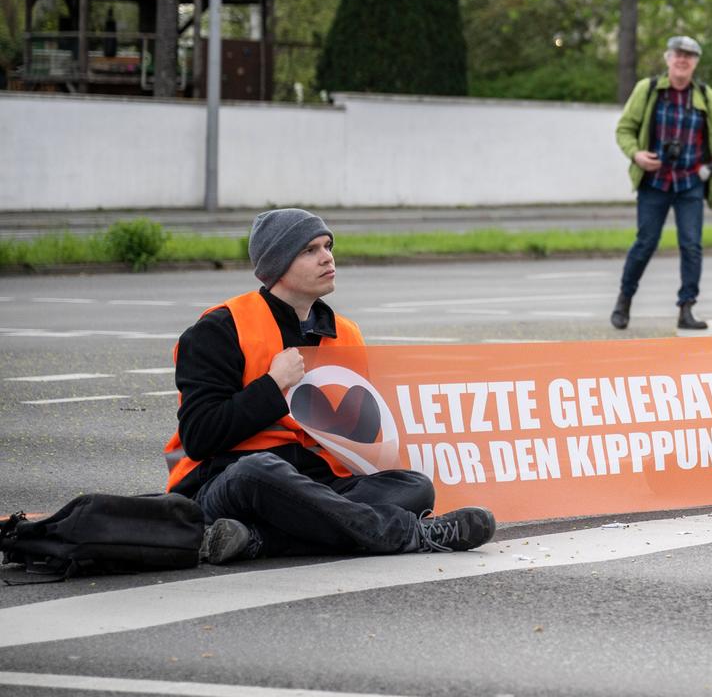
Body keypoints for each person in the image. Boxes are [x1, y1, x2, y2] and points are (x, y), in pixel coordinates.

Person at [165, 209, 496, 561]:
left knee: (413, 486)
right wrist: (273, 386)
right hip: (228, 482)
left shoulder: (345, 332)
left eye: (327, 246)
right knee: (258, 470)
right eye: (310, 250)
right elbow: (200, 437)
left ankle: (258, 540)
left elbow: (361, 439)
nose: (327, 257)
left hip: (316, 484)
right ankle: (410, 533)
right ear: (277, 264)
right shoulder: (219, 329)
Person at [611, 35, 712, 332]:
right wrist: (636, 154)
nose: (683, 59)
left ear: (695, 63)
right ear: (668, 58)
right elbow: (624, 129)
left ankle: (686, 308)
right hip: (654, 182)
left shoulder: (705, 95)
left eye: (689, 56)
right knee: (645, 243)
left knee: (692, 246)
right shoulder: (648, 89)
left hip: (690, 183)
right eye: (678, 54)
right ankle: (624, 300)